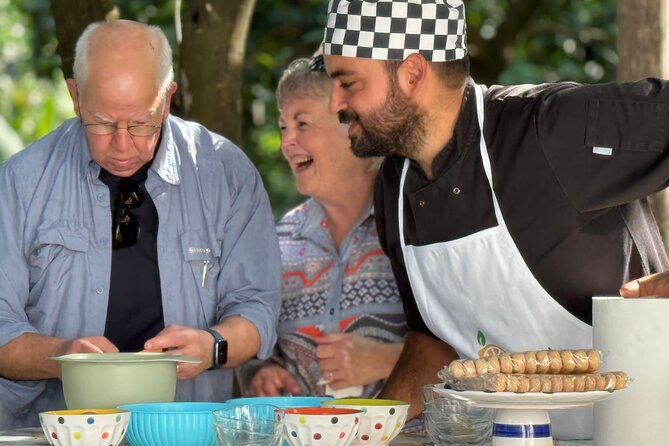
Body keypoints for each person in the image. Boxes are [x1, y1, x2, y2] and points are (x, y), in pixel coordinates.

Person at [321, 0, 669, 439]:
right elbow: (435, 341)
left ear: (412, 73)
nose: (334, 102)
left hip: (645, 429)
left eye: (347, 83)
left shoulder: (550, 131)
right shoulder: (394, 188)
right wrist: (368, 432)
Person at [0, 20, 281, 428]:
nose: (122, 143)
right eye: (102, 123)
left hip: (185, 429)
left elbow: (257, 306)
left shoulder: (225, 173)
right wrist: (64, 354)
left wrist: (212, 345)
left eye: (140, 123)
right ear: (75, 97)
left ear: (167, 100)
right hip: (53, 432)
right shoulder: (21, 182)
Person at [238, 56, 407, 398]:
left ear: (351, 124)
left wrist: (387, 359)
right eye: (283, 126)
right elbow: (256, 342)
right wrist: (262, 372)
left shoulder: (414, 225)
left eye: (302, 124)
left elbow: (475, 346)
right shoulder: (279, 239)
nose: (287, 142)